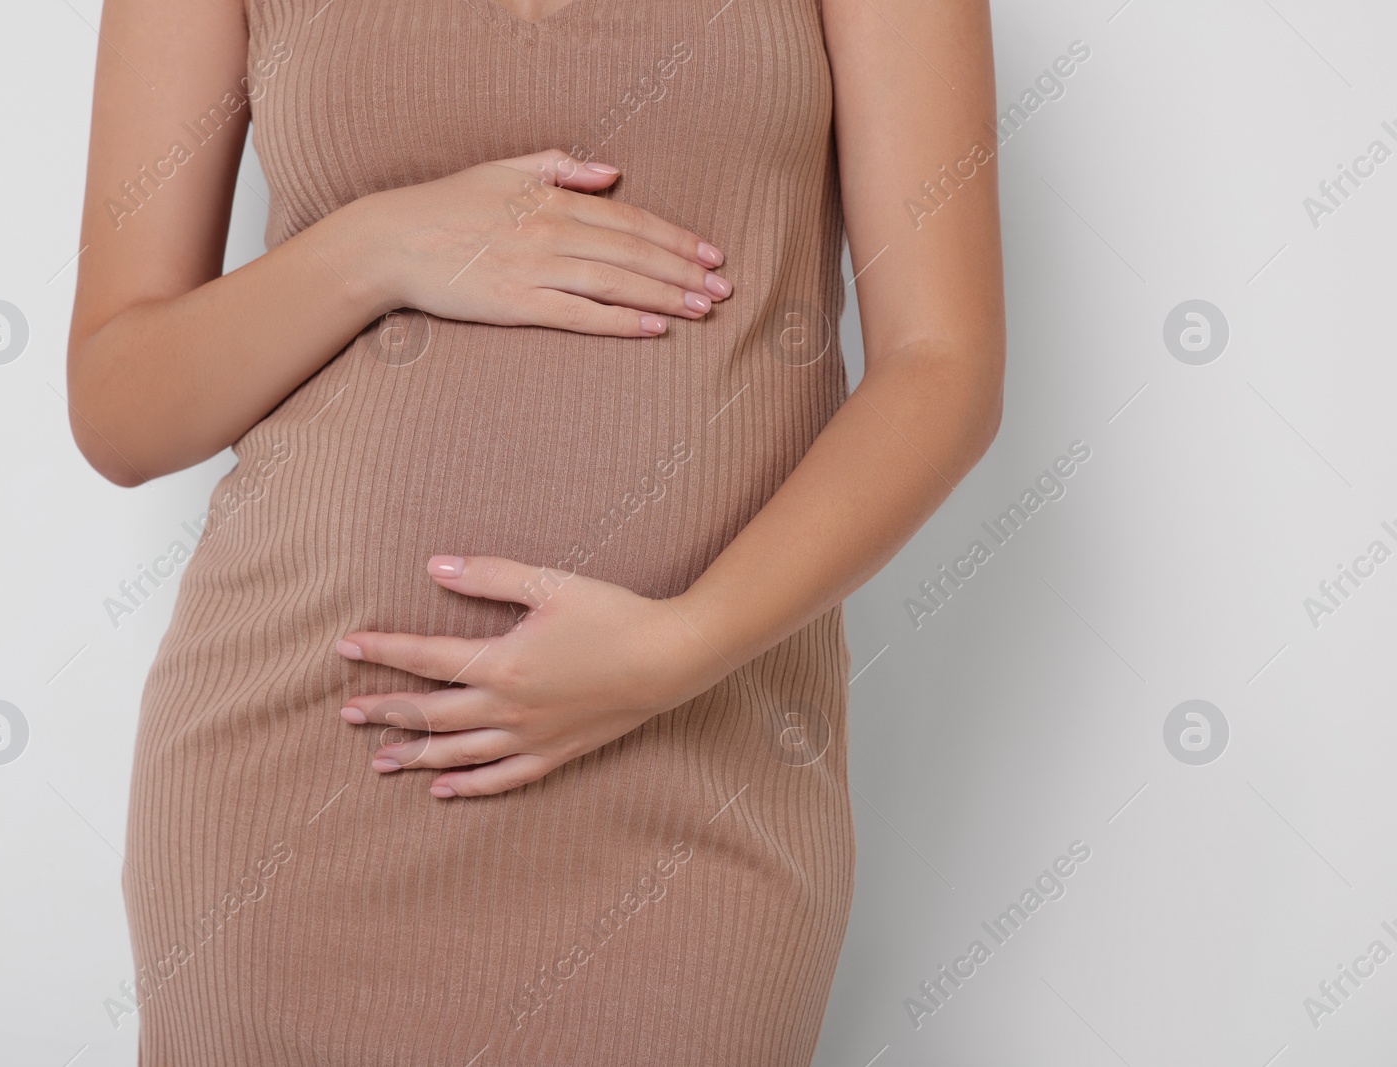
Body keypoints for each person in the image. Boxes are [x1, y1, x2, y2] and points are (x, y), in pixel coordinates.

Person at [66, 0, 1003, 1062]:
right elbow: (120, 403)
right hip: (299, 766)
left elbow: (943, 366)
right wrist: (373, 246)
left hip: (693, 758)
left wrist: (675, 648)